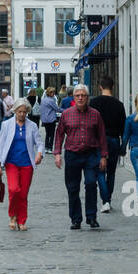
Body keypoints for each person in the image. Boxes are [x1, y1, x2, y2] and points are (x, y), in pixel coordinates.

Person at [53, 84, 108, 230]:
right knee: (73, 188)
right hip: (72, 155)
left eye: (83, 95)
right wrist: (57, 153)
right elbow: (59, 135)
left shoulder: (95, 114)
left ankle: (91, 217)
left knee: (91, 184)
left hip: (91, 155)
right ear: (74, 97)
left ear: (87, 97)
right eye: (78, 95)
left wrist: (103, 156)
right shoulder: (67, 114)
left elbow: (102, 136)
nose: (80, 98)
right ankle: (76, 219)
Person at [0, 101, 45, 231]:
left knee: (23, 194)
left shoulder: (32, 126)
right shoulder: (6, 125)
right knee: (13, 189)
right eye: (19, 112)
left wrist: (39, 154)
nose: (22, 114)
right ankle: (12, 216)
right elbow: (0, 146)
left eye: (24, 112)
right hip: (11, 163)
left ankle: (22, 220)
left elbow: (39, 143)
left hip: (27, 163)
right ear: (15, 111)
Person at [93, 78, 128, 213]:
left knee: (100, 171)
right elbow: (123, 127)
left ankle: (105, 201)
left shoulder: (94, 103)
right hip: (113, 139)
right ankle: (108, 199)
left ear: (100, 87)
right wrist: (123, 146)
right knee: (111, 171)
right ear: (112, 87)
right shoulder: (119, 104)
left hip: (98, 140)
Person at [39, 86, 61, 154]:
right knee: (51, 134)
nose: (53, 93)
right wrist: (66, 110)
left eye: (54, 92)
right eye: (52, 92)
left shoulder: (43, 100)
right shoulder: (51, 100)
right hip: (51, 119)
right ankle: (50, 148)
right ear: (49, 93)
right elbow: (57, 109)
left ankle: (46, 147)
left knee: (47, 134)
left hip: (45, 120)